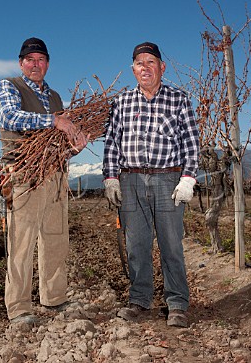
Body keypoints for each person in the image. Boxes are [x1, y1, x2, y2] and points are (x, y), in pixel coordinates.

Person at [103, 41, 199, 328]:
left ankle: (178, 303)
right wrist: (110, 177)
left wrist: (188, 178)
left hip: (166, 178)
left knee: (171, 244)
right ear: (133, 69)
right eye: (140, 63)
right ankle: (139, 299)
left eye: (151, 62)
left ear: (162, 67)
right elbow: (111, 142)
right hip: (130, 178)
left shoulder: (179, 99)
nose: (145, 68)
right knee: (137, 244)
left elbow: (192, 143)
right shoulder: (121, 102)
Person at [0, 37, 88, 325]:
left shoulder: (56, 97)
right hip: (24, 176)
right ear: (21, 63)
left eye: (41, 60)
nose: (36, 65)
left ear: (47, 64)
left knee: (56, 239)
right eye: (30, 60)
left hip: (56, 176)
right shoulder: (9, 86)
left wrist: (74, 147)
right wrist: (54, 121)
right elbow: (10, 118)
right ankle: (19, 307)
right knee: (21, 242)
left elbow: (59, 140)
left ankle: (54, 298)